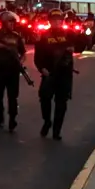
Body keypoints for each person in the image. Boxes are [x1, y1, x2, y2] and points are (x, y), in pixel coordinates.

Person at [34, 9, 77, 140]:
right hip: (49, 73)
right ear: (50, 21)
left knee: (61, 103)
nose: (57, 23)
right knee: (45, 99)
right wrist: (42, 69)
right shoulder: (44, 36)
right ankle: (47, 121)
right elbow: (38, 56)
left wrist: (75, 45)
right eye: (54, 20)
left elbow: (82, 45)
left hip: (64, 74)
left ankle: (57, 131)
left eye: (59, 20)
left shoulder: (69, 34)